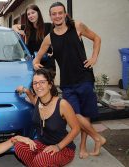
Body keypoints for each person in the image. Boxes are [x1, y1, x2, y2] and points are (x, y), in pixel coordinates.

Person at [33, 2, 106, 159]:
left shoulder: (77, 26)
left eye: (60, 13)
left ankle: (83, 146)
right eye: (54, 14)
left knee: (85, 115)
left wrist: (93, 58)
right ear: (51, 16)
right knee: (74, 114)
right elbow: (37, 57)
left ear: (65, 14)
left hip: (85, 78)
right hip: (67, 82)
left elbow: (97, 38)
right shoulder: (49, 38)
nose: (57, 16)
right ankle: (98, 138)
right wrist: (35, 64)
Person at [14, 68, 80, 167]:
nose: (38, 86)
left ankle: (41, 163)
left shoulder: (62, 104)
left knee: (40, 160)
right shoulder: (37, 101)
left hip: (63, 148)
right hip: (42, 145)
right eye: (35, 83)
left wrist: (58, 147)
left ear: (50, 84)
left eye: (42, 82)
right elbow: (31, 95)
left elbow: (76, 129)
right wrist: (25, 89)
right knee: (19, 146)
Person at [12, 4, 55, 74]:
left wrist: (54, 51)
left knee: (48, 84)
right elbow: (14, 26)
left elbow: (55, 40)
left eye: (33, 13)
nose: (31, 16)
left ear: (38, 13)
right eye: (28, 14)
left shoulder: (48, 26)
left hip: (47, 63)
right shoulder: (27, 29)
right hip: (33, 63)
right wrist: (21, 32)